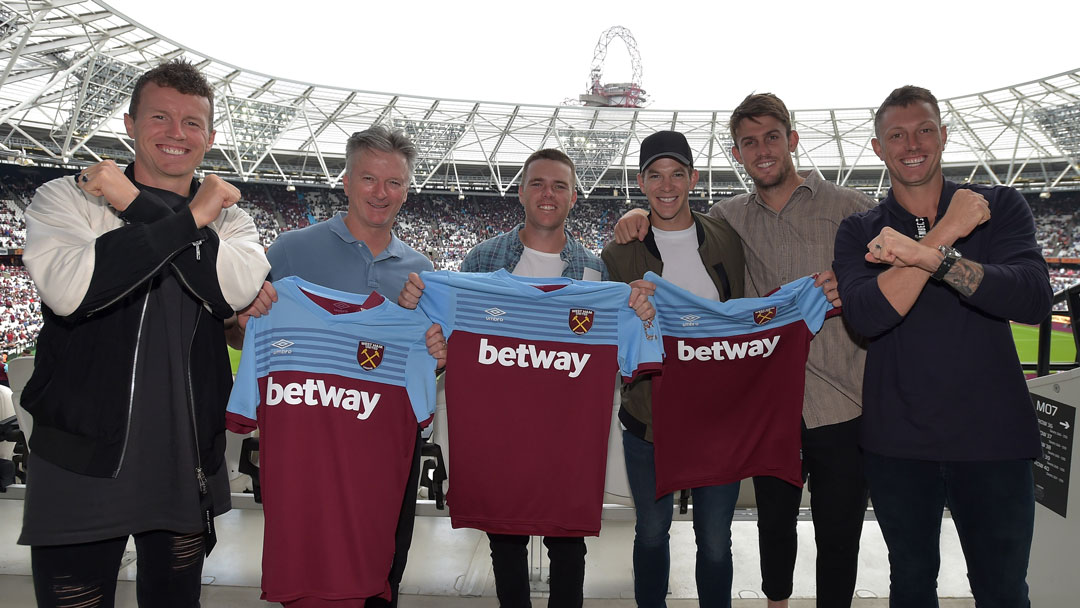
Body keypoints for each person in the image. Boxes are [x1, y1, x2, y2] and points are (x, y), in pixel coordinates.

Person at [18, 59, 269, 607]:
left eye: (192, 123)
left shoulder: (233, 220)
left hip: (184, 461)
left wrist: (137, 204)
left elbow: (229, 290)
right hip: (80, 458)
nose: (176, 134)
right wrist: (188, 219)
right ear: (130, 124)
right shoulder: (68, 198)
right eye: (160, 117)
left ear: (210, 136)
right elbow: (72, 292)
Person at [614, 93, 873, 607]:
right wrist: (631, 218)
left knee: (834, 534)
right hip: (741, 409)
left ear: (792, 140)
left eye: (772, 137)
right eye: (749, 142)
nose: (762, 150)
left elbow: (886, 276)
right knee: (768, 529)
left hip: (830, 403)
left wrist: (856, 286)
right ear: (736, 154)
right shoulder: (720, 222)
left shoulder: (847, 210)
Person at [399, 148, 651, 608]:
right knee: (505, 542)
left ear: (574, 197)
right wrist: (422, 301)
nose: (547, 193)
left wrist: (636, 308)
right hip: (501, 433)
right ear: (520, 192)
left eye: (558, 185)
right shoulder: (481, 260)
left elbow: (616, 351)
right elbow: (444, 337)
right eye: (537, 183)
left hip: (566, 438)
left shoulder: (597, 272)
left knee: (569, 543)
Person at [832, 85, 1051, 606]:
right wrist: (949, 231)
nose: (913, 143)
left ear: (944, 136)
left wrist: (922, 257)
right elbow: (869, 316)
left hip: (995, 440)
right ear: (878, 147)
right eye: (897, 134)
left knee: (1002, 591)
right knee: (910, 586)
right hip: (899, 446)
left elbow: (1032, 297)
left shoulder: (998, 205)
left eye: (925, 129)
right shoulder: (860, 229)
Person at [230, 125, 435, 608]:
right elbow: (242, 335)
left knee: (384, 574)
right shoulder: (288, 252)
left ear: (407, 189)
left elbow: (424, 367)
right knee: (308, 580)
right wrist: (245, 319)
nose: (381, 193)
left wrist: (436, 353)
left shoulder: (422, 271)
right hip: (308, 458)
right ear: (345, 180)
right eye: (368, 178)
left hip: (384, 459)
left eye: (394, 182)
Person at [601, 130, 744, 608]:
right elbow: (610, 340)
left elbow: (742, 316)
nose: (667, 186)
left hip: (718, 422)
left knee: (717, 540)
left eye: (677, 174)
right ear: (641, 182)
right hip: (649, 421)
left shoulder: (726, 236)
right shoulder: (620, 254)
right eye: (655, 175)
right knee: (652, 533)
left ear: (693, 178)